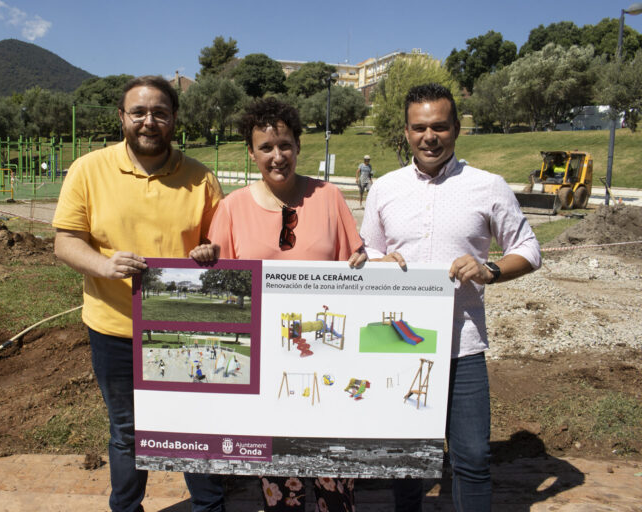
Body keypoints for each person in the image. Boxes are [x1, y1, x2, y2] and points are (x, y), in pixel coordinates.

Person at [360, 83, 542, 511]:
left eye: (439, 126)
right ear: (406, 132)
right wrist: (379, 261)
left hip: (463, 346)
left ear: (457, 129)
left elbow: (529, 249)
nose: (429, 137)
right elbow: (367, 251)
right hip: (396, 342)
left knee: (473, 458)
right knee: (405, 459)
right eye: (419, 127)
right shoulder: (384, 188)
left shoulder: (489, 186)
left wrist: (490, 270)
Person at [52, 75, 225, 512]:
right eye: (139, 112)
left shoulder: (201, 178)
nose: (149, 121)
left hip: (184, 329)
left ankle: (209, 507)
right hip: (113, 329)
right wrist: (104, 266)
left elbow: (221, 242)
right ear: (122, 117)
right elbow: (66, 242)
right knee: (127, 431)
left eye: (160, 113)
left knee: (193, 427)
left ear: (174, 119)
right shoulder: (88, 169)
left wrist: (210, 251)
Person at [191, 97, 366, 512]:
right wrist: (203, 261)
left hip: (328, 360)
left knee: (335, 481)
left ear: (298, 146)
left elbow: (356, 263)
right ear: (252, 153)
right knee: (281, 484)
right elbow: (222, 283)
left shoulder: (329, 197)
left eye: (285, 145)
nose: (277, 155)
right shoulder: (232, 208)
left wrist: (369, 264)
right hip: (267, 367)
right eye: (266, 147)